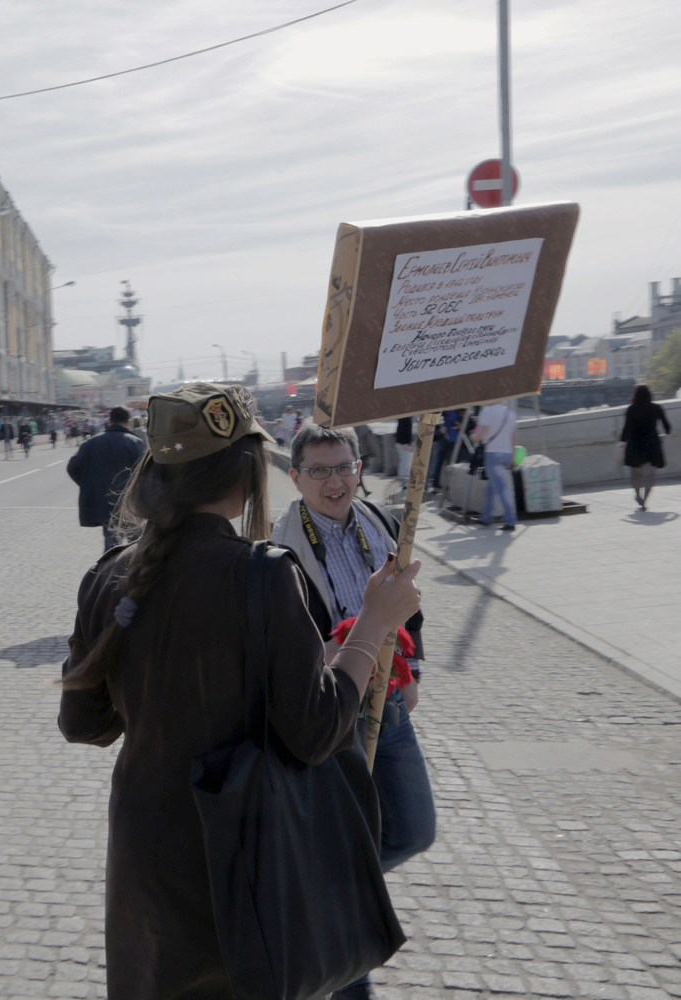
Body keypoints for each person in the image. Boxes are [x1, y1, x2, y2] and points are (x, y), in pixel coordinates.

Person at [59, 383, 423, 1000]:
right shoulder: (263, 571)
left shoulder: (108, 573)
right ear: (248, 469)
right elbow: (315, 730)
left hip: (148, 853)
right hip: (243, 849)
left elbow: (84, 724)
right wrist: (373, 624)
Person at [270, 423, 437, 999]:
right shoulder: (277, 551)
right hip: (330, 712)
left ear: (360, 468)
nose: (335, 481)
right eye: (319, 470)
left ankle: (325, 900)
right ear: (295, 478)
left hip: (386, 702)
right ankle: (343, 955)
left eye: (344, 467)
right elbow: (278, 652)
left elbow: (409, 607)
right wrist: (333, 652)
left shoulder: (386, 524)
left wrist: (414, 671)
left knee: (414, 829)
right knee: (347, 842)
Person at [67, 406, 146, 551]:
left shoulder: (90, 443)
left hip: (103, 500)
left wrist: (89, 485)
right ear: (127, 423)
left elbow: (73, 468)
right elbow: (145, 472)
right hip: (130, 502)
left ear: (109, 421)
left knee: (111, 545)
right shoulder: (136, 443)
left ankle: (111, 571)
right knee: (136, 545)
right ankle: (134, 572)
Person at [620, 384, 671, 510]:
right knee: (650, 476)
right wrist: (665, 435)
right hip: (652, 443)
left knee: (636, 474)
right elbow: (667, 426)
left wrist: (621, 442)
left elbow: (626, 428)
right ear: (649, 394)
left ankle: (638, 495)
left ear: (635, 395)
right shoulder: (656, 408)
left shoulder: (631, 409)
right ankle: (645, 501)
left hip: (635, 443)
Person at [471, 400, 518, 531]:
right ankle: (485, 518)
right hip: (507, 454)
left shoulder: (487, 412)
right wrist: (513, 458)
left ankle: (510, 521)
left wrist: (472, 437)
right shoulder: (510, 413)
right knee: (490, 488)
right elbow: (513, 438)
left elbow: (480, 436)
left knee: (502, 489)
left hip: (493, 455)